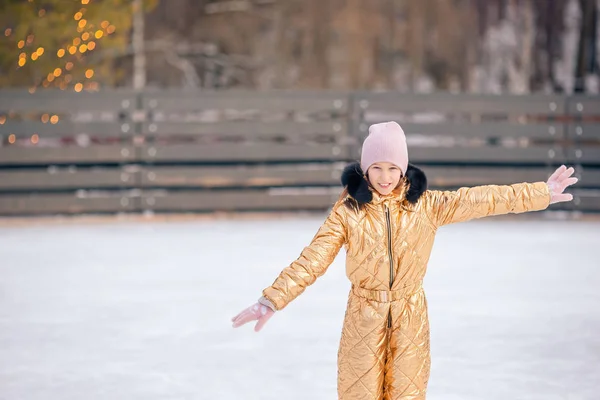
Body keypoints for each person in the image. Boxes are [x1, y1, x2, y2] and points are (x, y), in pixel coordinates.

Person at [231, 121, 578, 400]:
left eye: (393, 168)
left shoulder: (425, 205)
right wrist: (273, 299)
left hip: (411, 315)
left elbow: (480, 199)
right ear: (365, 170)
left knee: (407, 392)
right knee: (358, 393)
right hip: (363, 316)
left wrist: (540, 193)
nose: (384, 177)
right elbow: (313, 258)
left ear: (404, 169)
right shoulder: (349, 212)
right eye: (377, 168)